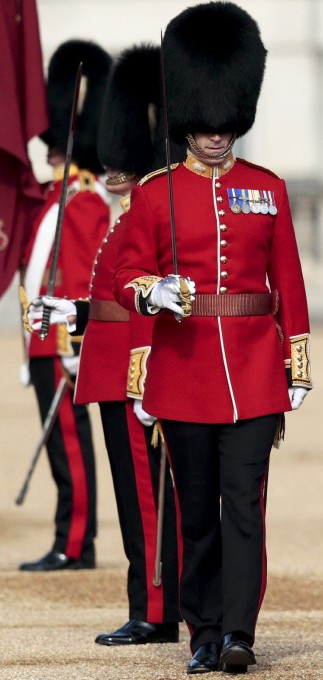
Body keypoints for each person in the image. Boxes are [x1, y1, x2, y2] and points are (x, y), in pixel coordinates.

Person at [113, 3, 312, 674]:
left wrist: (299, 361)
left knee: (246, 512)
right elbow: (125, 272)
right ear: (189, 122)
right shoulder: (154, 193)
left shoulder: (268, 190)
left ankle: (238, 634)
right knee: (196, 516)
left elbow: (289, 279)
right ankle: (202, 628)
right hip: (184, 365)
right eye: (204, 125)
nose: (215, 136)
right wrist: (153, 290)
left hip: (255, 370)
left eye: (225, 125)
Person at [30, 43, 185, 646]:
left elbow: (151, 297)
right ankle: (152, 602)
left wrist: (147, 380)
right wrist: (68, 310)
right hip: (112, 369)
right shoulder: (126, 214)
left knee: (147, 498)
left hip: (136, 375)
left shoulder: (148, 213)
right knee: (134, 498)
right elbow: (109, 298)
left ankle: (155, 609)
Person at [18, 39, 111, 573]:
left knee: (70, 447)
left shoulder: (84, 201)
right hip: (41, 338)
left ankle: (75, 542)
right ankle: (68, 537)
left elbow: (80, 277)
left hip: (61, 341)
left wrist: (75, 344)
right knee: (59, 447)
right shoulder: (57, 200)